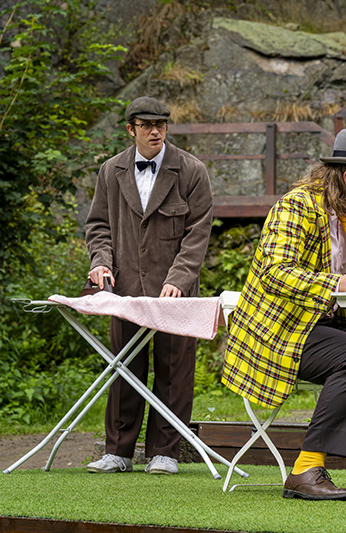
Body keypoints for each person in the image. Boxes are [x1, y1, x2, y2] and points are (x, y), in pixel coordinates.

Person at [222, 129, 346, 500]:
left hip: (326, 328)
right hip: (280, 331)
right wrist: (337, 284)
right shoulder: (296, 206)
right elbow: (274, 270)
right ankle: (304, 470)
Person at [84, 96, 213, 475]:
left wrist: (178, 279)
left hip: (174, 291)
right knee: (125, 368)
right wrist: (101, 263)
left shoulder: (191, 170)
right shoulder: (111, 171)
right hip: (124, 289)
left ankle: (165, 452)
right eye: (146, 125)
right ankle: (119, 452)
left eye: (161, 124)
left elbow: (198, 232)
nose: (155, 130)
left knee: (174, 370)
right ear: (131, 129)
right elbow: (98, 227)